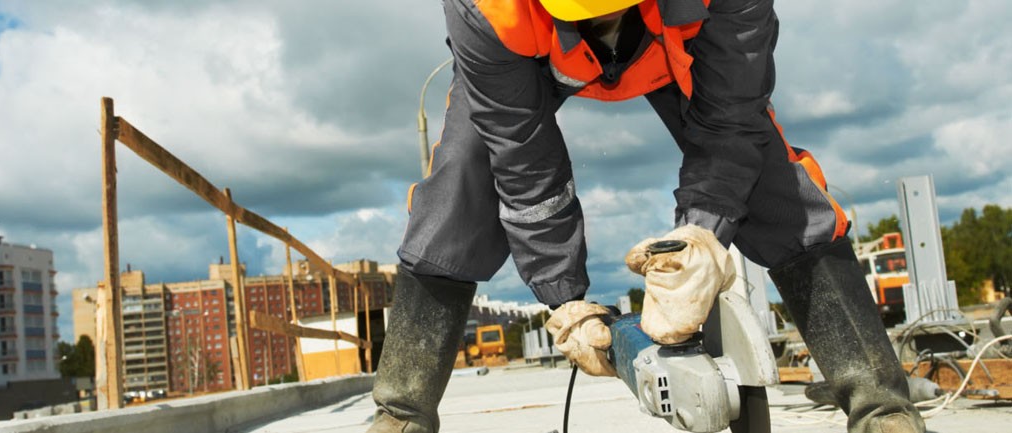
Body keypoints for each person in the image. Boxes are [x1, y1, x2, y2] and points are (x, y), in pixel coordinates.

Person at [368, 1, 926, 432]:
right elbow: (525, 164)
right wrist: (564, 299)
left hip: (680, 42)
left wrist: (700, 239)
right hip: (527, 60)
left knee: (775, 185)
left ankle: (881, 406)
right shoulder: (487, 8)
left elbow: (731, 123)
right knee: (464, 176)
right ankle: (402, 410)